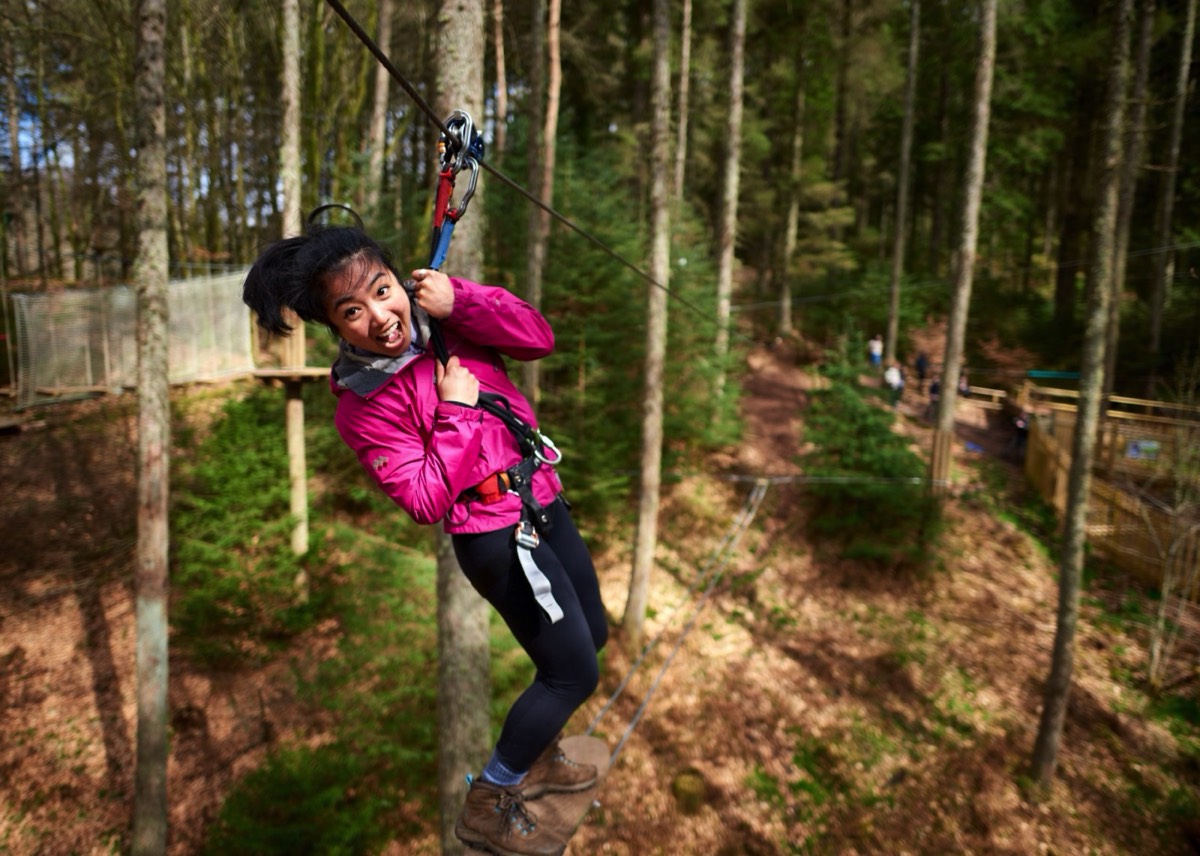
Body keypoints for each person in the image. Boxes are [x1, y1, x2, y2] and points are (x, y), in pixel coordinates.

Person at [242, 208, 607, 856]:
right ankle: (490, 801)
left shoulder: (446, 323)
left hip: (541, 497)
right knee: (572, 674)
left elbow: (538, 337)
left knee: (594, 636)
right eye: (352, 310)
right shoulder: (362, 406)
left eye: (382, 290)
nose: (381, 317)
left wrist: (462, 298)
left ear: (398, 281)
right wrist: (458, 414)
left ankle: (535, 761)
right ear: (335, 326)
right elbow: (423, 498)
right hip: (497, 535)